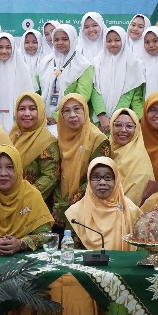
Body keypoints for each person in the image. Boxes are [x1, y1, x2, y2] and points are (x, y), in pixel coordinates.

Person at [0, 146, 54, 255]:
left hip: (24, 263)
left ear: (17, 169)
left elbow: (46, 235)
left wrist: (21, 243)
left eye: (9, 167)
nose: (3, 173)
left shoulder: (31, 195)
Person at [52, 93, 110, 227]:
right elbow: (55, 173)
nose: (72, 115)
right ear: (61, 116)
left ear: (85, 110)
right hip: (58, 209)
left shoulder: (98, 140)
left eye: (77, 109)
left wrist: (68, 205)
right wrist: (58, 205)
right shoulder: (59, 140)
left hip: (88, 208)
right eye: (66, 111)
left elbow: (97, 179)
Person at [64, 157, 141, 251]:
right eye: (96, 177)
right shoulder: (75, 213)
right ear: (89, 180)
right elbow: (70, 251)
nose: (102, 183)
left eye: (108, 178)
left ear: (116, 180)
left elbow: (141, 249)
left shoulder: (131, 210)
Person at [36, 23, 98, 125]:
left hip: (70, 120)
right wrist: (39, 114)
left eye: (64, 39)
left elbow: (81, 97)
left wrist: (57, 116)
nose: (60, 43)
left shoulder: (84, 65)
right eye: (56, 40)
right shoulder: (45, 62)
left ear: (72, 39)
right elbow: (35, 88)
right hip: (43, 119)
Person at [9, 91, 60, 210]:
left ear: (41, 112)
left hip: (33, 205)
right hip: (7, 200)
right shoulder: (13, 136)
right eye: (22, 109)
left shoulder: (47, 141)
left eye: (32, 109)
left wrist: (24, 197)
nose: (27, 113)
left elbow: (51, 176)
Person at [91, 26, 145, 132]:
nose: (113, 44)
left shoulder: (132, 63)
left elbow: (130, 93)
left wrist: (116, 119)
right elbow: (94, 90)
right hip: (99, 122)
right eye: (109, 41)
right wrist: (102, 117)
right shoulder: (97, 61)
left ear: (124, 41)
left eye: (117, 40)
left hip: (123, 121)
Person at [0, 32, 36, 129]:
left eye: (8, 47)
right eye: (0, 47)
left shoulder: (23, 69)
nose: (4, 51)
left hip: (17, 122)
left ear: (13, 48)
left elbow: (29, 98)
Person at [108, 108, 153, 206]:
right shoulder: (106, 150)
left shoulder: (139, 159)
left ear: (136, 129)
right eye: (118, 125)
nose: (123, 130)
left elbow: (135, 198)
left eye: (129, 126)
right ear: (111, 126)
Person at [137, 26, 158, 98]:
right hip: (145, 107)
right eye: (147, 42)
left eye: (155, 41)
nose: (151, 45)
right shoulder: (139, 64)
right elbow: (136, 95)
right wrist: (142, 109)